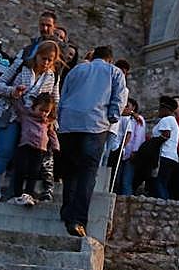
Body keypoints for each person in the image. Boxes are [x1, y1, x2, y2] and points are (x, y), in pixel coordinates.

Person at [56, 45, 127, 236]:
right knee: (87, 173)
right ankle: (78, 220)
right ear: (110, 59)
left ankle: (66, 211)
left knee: (70, 170)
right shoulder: (115, 72)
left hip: (69, 125)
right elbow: (119, 99)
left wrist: (61, 120)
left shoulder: (77, 70)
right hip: (95, 126)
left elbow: (63, 97)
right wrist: (112, 117)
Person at [0, 40, 61, 201]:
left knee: (27, 160)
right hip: (11, 114)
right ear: (37, 56)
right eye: (44, 58)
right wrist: (12, 91)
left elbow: (55, 101)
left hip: (34, 123)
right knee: (6, 152)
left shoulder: (53, 76)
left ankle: (21, 193)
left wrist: (51, 120)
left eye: (50, 60)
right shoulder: (21, 67)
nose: (46, 63)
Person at [8, 92, 60, 206]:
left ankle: (28, 194)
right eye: (41, 110)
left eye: (47, 111)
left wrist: (56, 147)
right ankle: (16, 194)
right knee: (20, 170)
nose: (43, 113)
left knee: (34, 172)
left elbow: (52, 134)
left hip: (40, 149)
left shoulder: (48, 122)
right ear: (35, 106)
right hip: (25, 146)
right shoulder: (27, 115)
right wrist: (17, 95)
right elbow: (18, 105)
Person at [109, 99, 144, 195]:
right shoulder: (122, 118)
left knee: (126, 181)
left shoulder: (136, 120)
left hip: (129, 153)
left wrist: (134, 150)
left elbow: (137, 136)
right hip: (119, 152)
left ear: (133, 107)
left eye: (127, 106)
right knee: (117, 178)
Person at [151, 96, 179, 200]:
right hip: (172, 157)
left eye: (160, 109)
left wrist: (151, 143)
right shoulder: (174, 122)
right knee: (163, 183)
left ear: (165, 109)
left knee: (159, 182)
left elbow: (165, 135)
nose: (158, 111)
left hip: (164, 156)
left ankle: (164, 204)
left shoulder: (166, 120)